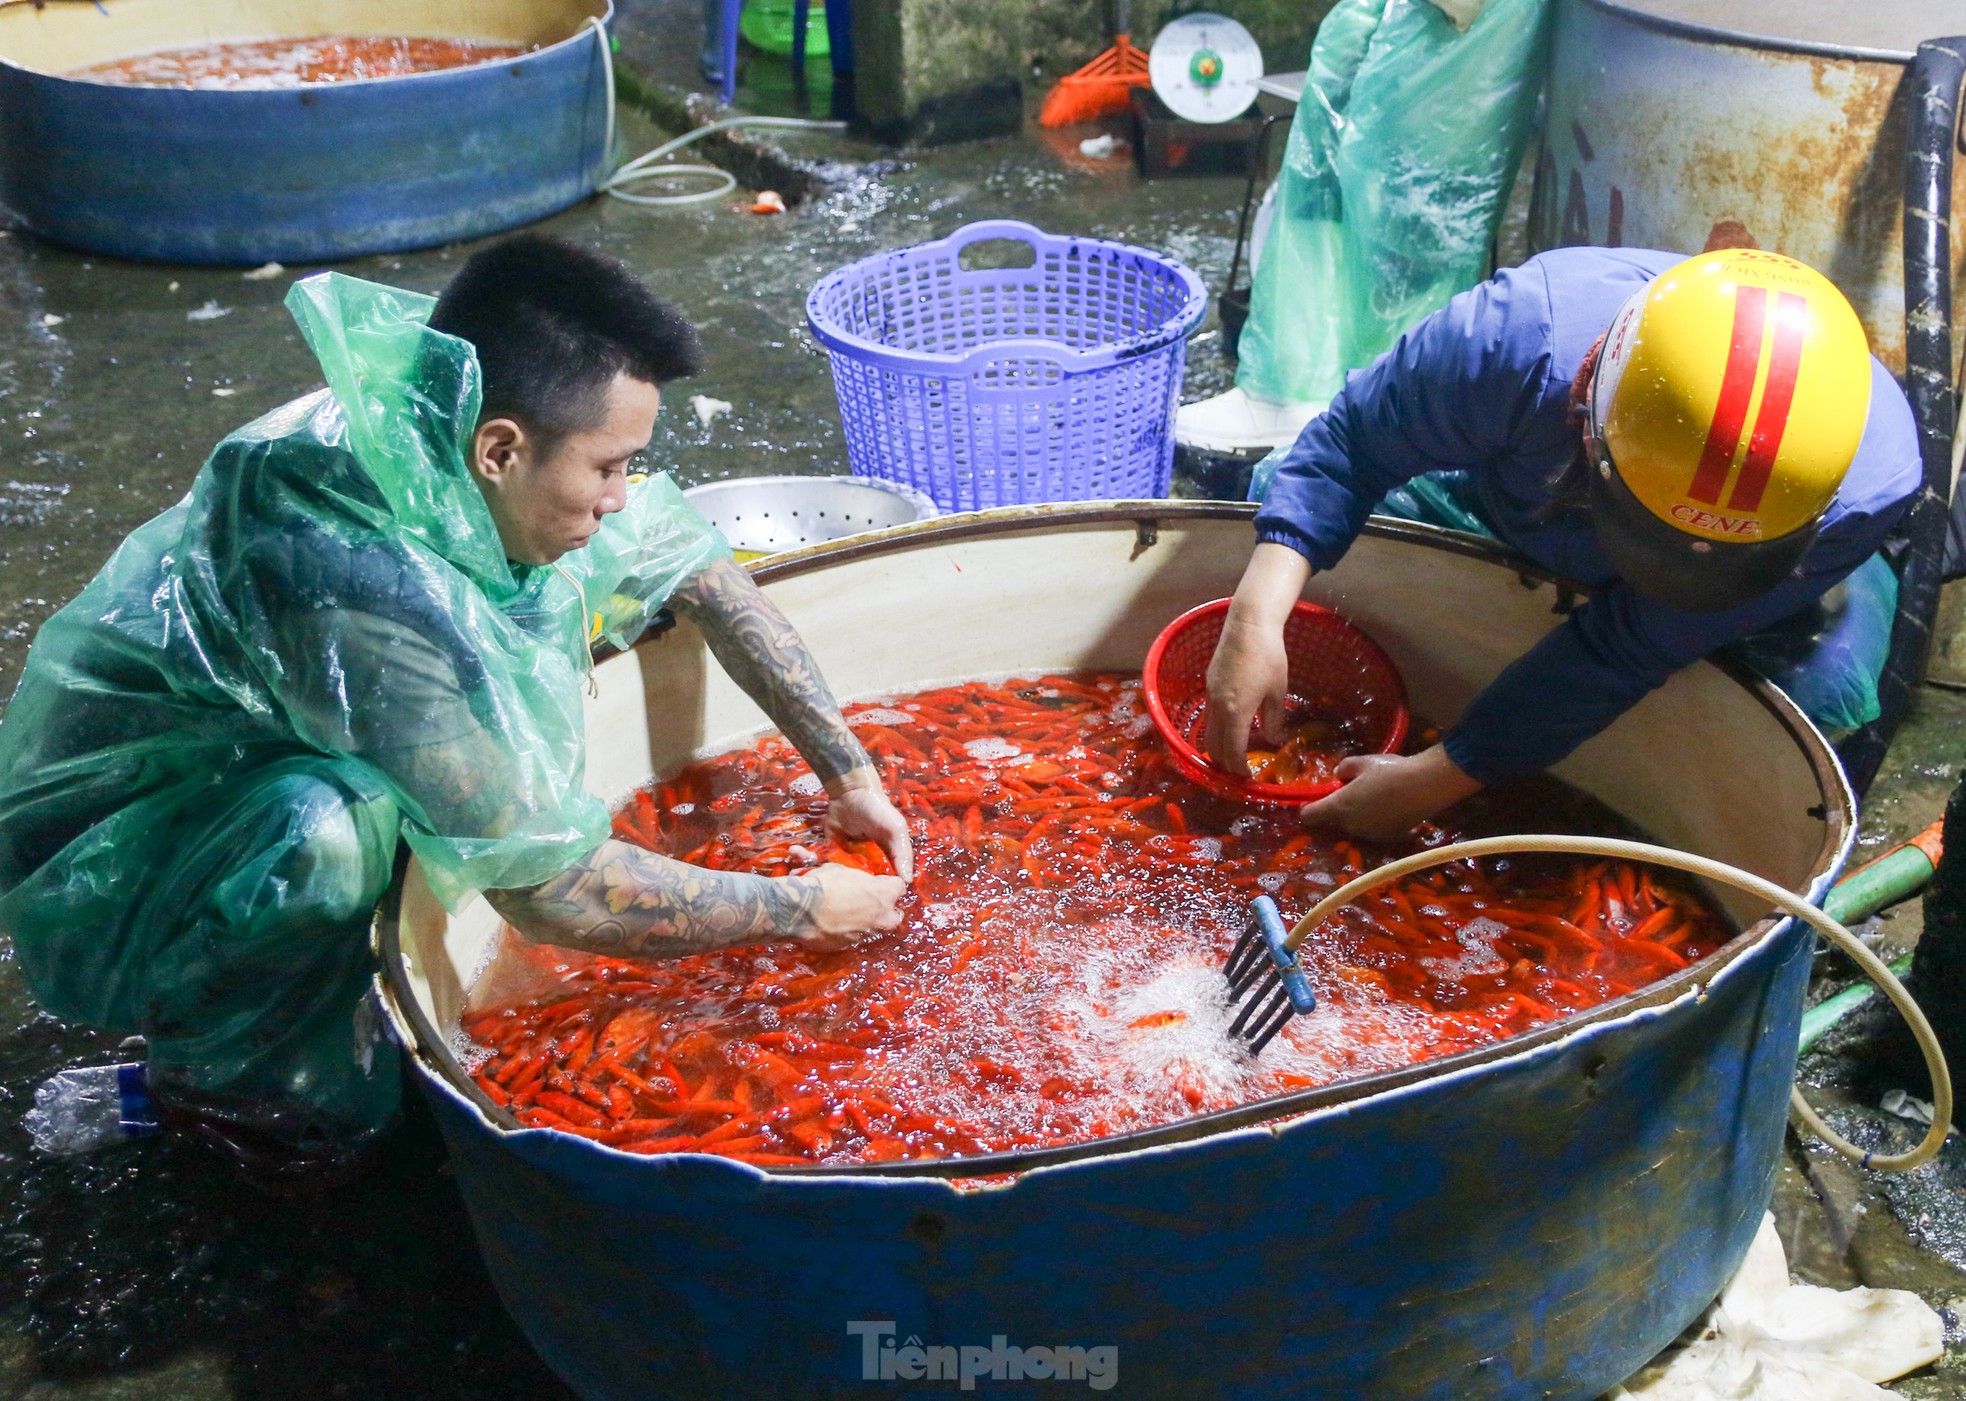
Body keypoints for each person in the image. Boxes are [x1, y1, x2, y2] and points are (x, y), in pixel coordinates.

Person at [0, 236, 911, 1183]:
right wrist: (801, 907)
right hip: (130, 848)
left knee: (430, 801)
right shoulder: (348, 572)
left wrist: (850, 774)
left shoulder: (458, 437)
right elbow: (550, 889)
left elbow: (710, 578)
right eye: (607, 469)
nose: (620, 499)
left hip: (269, 753)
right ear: (502, 450)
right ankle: (216, 1088)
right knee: (334, 834)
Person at [1204, 246, 1921, 840]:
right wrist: (1255, 614)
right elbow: (1352, 445)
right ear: (1589, 422)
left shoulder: (1871, 480)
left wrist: (1436, 778)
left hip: (1753, 589)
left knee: (1821, 702)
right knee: (1277, 492)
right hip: (1526, 502)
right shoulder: (1515, 341)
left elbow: (1627, 643)